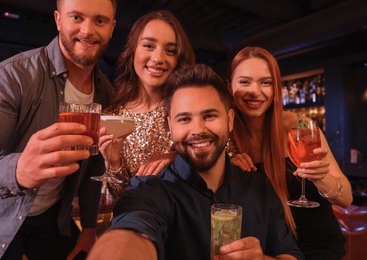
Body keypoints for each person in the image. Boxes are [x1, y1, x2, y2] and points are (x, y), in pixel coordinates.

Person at [88, 64, 304, 260]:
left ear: (229, 120)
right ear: (170, 126)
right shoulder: (149, 189)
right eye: (184, 119)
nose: (198, 130)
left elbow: (291, 255)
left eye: (209, 116)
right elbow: (129, 234)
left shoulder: (259, 187)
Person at [0, 0, 117, 259]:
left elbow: (92, 166)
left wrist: (88, 227)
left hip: (52, 218)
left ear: (112, 27)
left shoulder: (106, 92)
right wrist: (17, 171)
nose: (87, 30)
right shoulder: (14, 77)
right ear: (57, 19)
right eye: (76, 17)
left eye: (100, 21)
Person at [228, 46, 352, 259]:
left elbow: (346, 199)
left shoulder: (300, 126)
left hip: (318, 248)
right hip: (265, 252)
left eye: (266, 82)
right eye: (244, 81)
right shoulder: (227, 138)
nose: (255, 91)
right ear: (230, 85)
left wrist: (322, 178)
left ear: (276, 87)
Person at [98, 10, 195, 197]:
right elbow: (121, 194)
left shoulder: (189, 104)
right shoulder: (113, 115)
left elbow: (222, 158)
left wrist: (178, 157)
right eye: (149, 46)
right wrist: (114, 161)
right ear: (133, 49)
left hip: (188, 218)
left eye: (171, 51)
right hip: (141, 221)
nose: (158, 58)